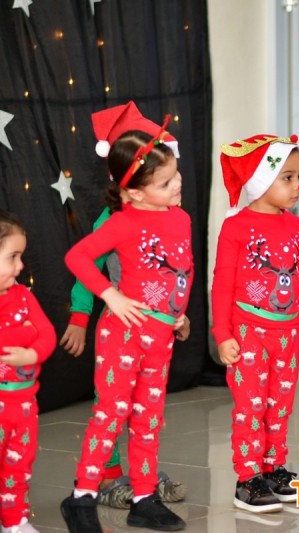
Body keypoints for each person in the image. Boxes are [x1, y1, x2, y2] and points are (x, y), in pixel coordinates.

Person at [59, 113, 193, 533]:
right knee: (110, 415)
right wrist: (110, 295)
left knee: (148, 419)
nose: (177, 185)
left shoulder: (180, 219)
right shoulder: (122, 222)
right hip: (125, 335)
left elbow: (177, 271)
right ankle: (82, 497)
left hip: (160, 337)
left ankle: (144, 498)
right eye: (165, 183)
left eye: (176, 175)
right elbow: (78, 257)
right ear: (134, 192)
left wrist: (178, 313)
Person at [212, 133, 299, 514]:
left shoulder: (295, 227)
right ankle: (247, 478)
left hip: (287, 333)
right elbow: (222, 284)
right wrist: (223, 334)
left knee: (280, 405)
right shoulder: (236, 227)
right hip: (248, 333)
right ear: (261, 180)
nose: (297, 185)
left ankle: (273, 468)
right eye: (287, 177)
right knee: (250, 406)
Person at [0, 210, 56, 533]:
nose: (21, 265)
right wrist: (24, 333)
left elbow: (47, 334)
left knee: (19, 465)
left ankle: (15, 521)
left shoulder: (23, 296)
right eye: (13, 257)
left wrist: (32, 352)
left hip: (23, 408)